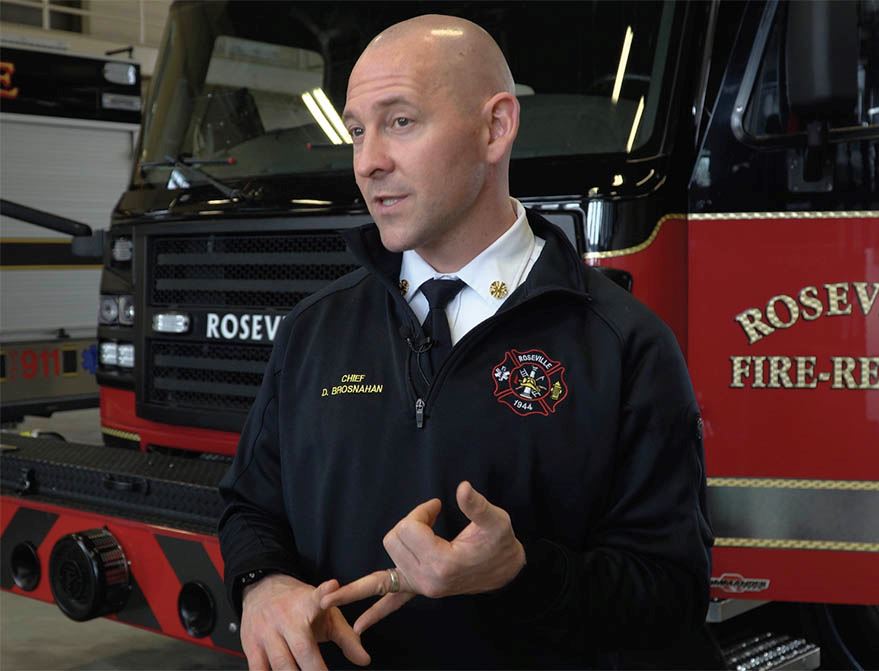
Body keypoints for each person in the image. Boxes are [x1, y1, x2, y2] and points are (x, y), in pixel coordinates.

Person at [219, 14, 713, 670]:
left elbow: (673, 593)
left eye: (400, 122)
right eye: (357, 130)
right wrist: (262, 583)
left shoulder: (623, 344)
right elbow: (250, 503)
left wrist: (521, 571)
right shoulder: (315, 328)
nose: (367, 163)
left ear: (494, 128)